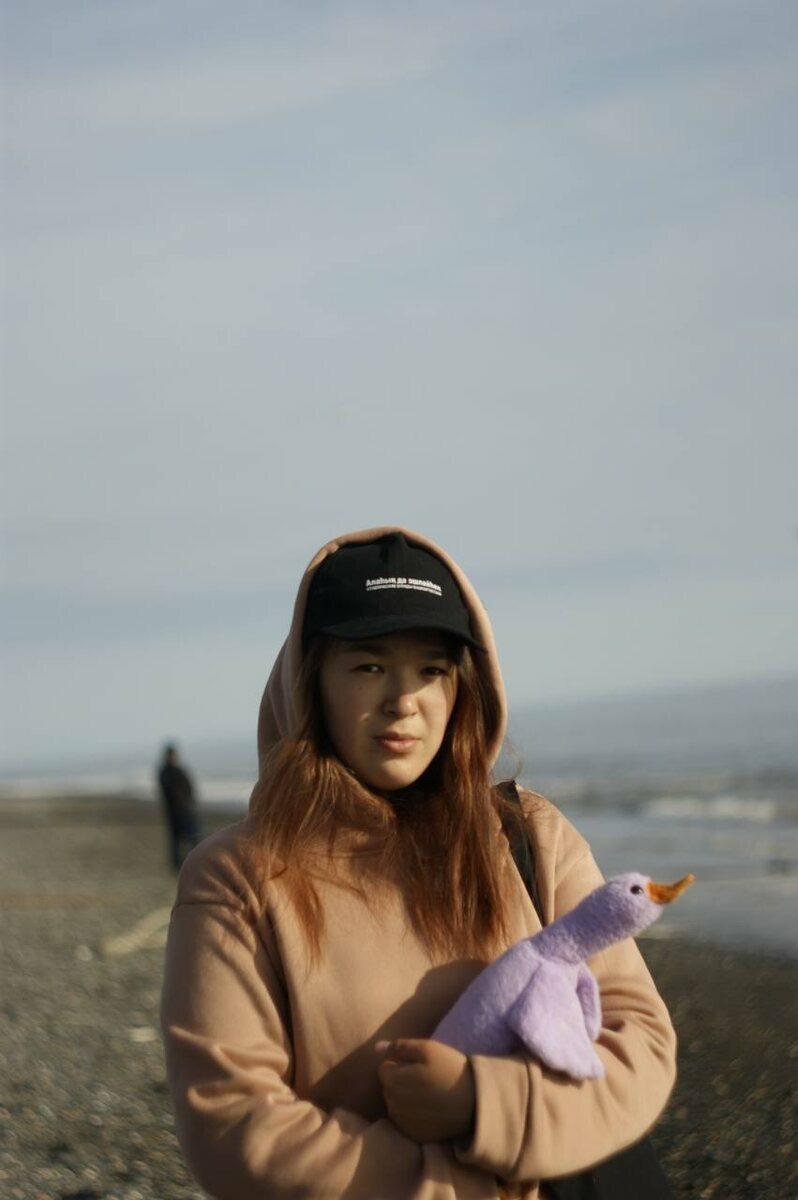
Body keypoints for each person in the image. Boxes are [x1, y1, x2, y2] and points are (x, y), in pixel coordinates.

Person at [160, 527, 677, 1199]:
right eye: (369, 667)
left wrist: (482, 1104)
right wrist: (461, 1185)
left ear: (462, 686)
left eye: (431, 670)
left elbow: (640, 1042)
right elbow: (234, 1124)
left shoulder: (529, 836)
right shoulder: (239, 878)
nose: (403, 701)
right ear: (310, 682)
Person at [157, 743, 200, 871]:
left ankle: (195, 860)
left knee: (192, 837)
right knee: (177, 839)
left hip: (186, 810)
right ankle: (178, 864)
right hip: (175, 812)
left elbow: (189, 787)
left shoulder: (178, 770)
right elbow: (169, 793)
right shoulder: (166, 773)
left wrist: (190, 803)